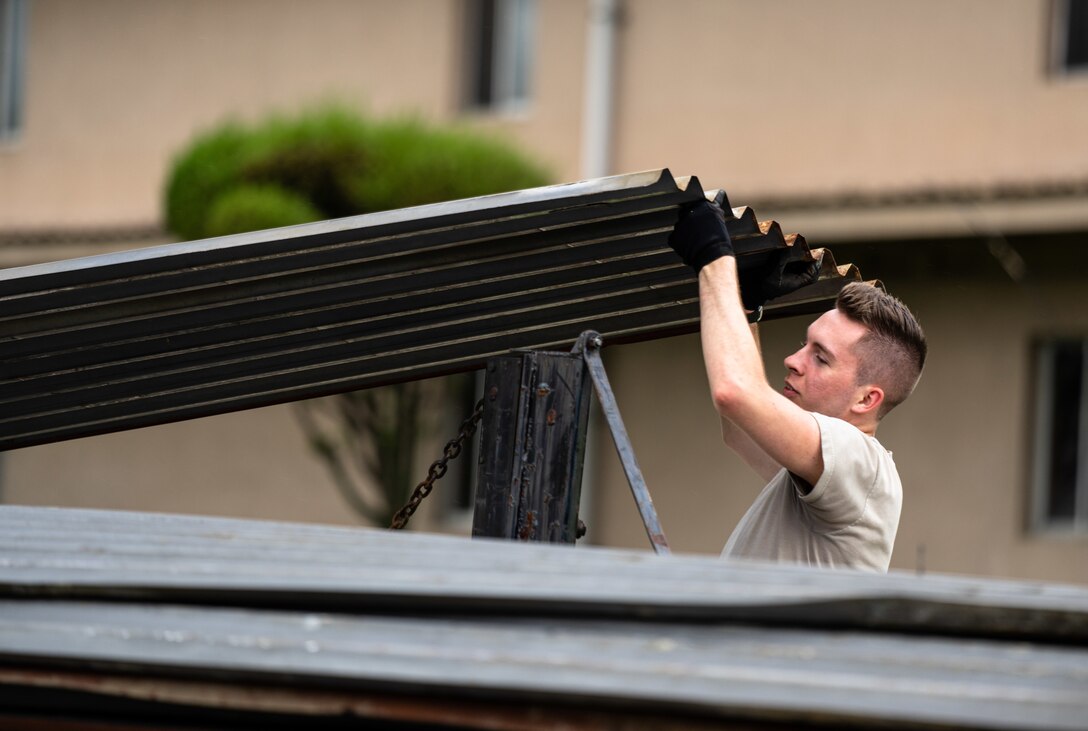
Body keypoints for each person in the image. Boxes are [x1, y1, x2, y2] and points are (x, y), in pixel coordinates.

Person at [668, 199, 927, 572]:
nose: (793, 361)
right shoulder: (821, 473)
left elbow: (735, 392)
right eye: (803, 345)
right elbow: (742, 429)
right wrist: (745, 304)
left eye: (820, 357)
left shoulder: (860, 465)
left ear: (866, 399)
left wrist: (715, 259)